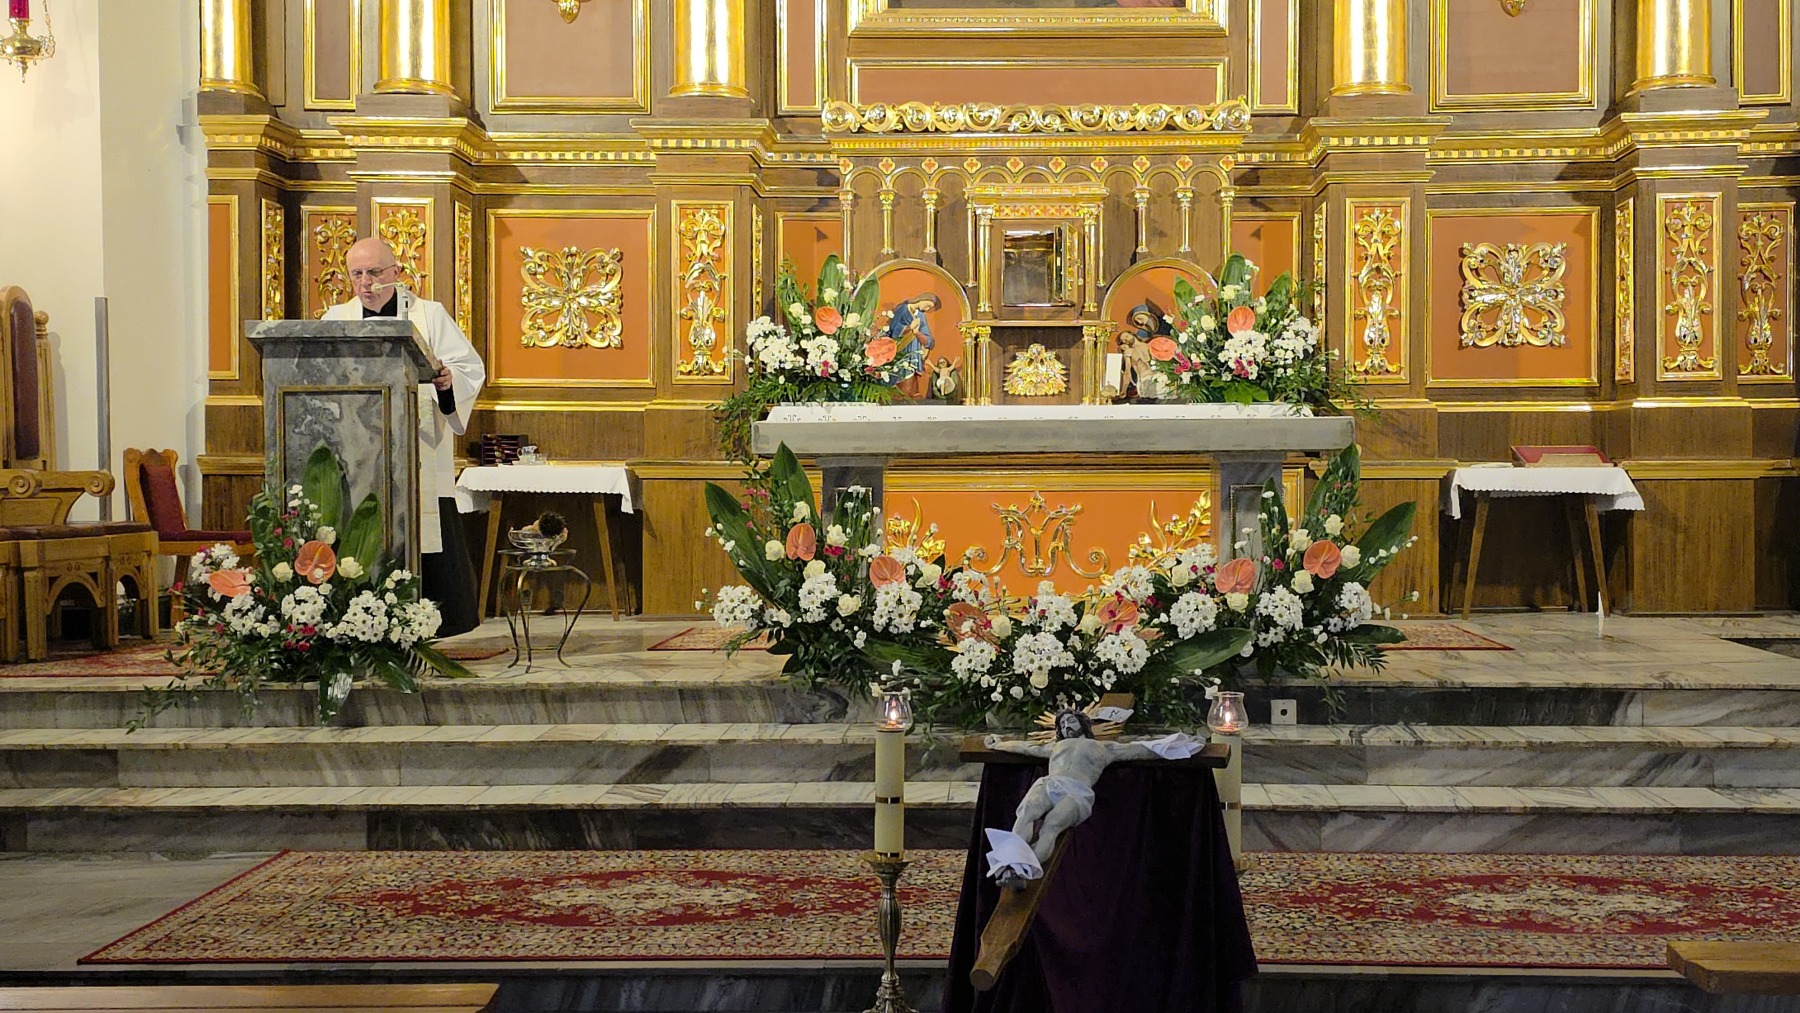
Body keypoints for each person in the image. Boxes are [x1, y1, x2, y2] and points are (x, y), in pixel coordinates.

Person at [323, 237, 487, 636]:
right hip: (358, 448)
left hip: (418, 446)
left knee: (426, 523)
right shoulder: (335, 318)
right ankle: (359, 620)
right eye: (357, 274)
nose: (366, 282)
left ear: (396, 273)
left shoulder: (430, 315)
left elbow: (469, 368)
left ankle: (435, 624)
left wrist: (447, 380)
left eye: (374, 272)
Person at [982, 710, 1163, 890]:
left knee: (1051, 826)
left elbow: (1139, 750)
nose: (1066, 726)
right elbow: (1026, 747)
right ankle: (1012, 863)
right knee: (1026, 814)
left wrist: (1176, 745)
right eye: (1062, 724)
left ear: (1084, 724)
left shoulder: (1104, 747)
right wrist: (998, 745)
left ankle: (1022, 872)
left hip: (1077, 790)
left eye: (1071, 721)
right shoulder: (1056, 746)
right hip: (1050, 783)